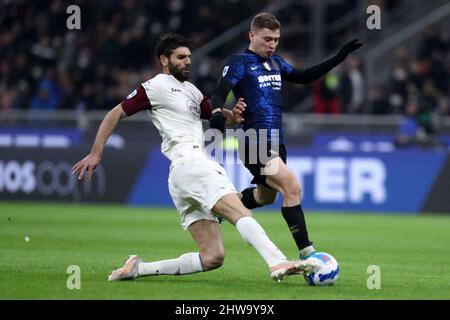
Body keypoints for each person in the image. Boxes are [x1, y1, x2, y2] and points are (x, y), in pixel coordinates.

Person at [72, 34, 320, 282]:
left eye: (189, 57)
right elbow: (115, 113)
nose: (188, 61)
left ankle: (138, 269)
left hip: (182, 177)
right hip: (192, 164)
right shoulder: (154, 86)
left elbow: (215, 116)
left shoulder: (191, 91)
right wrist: (96, 152)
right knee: (240, 213)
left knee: (213, 257)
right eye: (181, 57)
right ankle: (278, 262)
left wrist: (231, 116)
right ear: (164, 60)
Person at [209, 13, 362, 259]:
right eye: (267, 39)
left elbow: (304, 76)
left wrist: (338, 57)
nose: (272, 45)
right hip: (253, 141)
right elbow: (219, 91)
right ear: (252, 35)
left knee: (264, 196)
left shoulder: (276, 62)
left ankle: (221, 207)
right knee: (291, 186)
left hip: (276, 142)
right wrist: (217, 112)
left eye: (276, 40)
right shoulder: (239, 62)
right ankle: (308, 254)